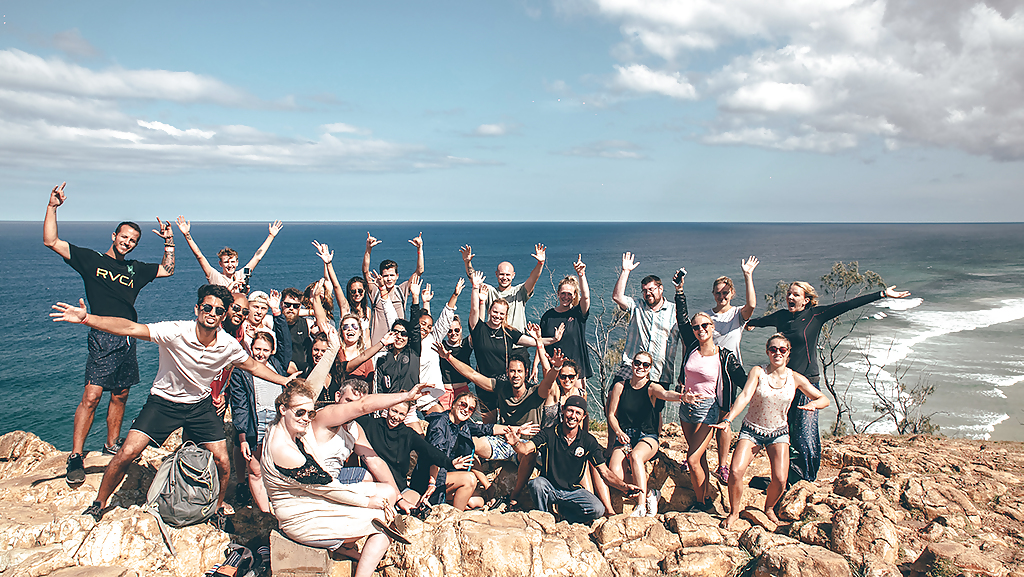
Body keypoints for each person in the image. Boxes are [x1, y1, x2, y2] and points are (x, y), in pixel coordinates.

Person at [51, 284, 291, 524]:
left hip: (199, 405)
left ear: (223, 315)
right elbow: (130, 327)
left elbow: (253, 366)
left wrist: (283, 380)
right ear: (197, 308)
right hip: (163, 403)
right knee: (127, 452)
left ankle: (217, 508)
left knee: (223, 462)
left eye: (218, 310)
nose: (212, 313)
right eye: (207, 307)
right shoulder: (176, 331)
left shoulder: (227, 345)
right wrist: (87, 319)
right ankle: (99, 504)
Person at [43, 182, 175, 484]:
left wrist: (170, 241)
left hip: (129, 335)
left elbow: (168, 269)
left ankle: (111, 443)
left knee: (121, 393)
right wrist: (52, 206)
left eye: (133, 241)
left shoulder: (135, 270)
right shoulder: (91, 261)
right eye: (124, 237)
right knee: (91, 396)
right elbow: (51, 241)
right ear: (114, 236)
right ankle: (76, 455)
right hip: (103, 335)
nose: (127, 243)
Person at [746, 282, 910, 482]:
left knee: (805, 434)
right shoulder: (781, 316)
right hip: (785, 382)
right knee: (785, 431)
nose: (790, 297)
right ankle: (785, 476)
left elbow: (848, 305)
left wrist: (883, 294)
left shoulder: (816, 315)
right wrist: (745, 323)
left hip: (807, 383)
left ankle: (806, 477)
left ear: (806, 300)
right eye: (789, 293)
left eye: (796, 294)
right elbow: (758, 321)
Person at [261, 377, 422, 577]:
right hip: (304, 515)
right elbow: (329, 488)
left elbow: (373, 461)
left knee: (388, 493)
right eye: (300, 413)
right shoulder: (287, 448)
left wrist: (397, 497)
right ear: (282, 409)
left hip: (313, 498)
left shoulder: (281, 429)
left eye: (309, 412)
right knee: (382, 526)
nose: (306, 418)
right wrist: (369, 502)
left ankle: (343, 544)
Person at [712, 334, 830, 529]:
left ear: (788, 353)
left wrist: (814, 405)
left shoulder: (796, 378)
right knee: (735, 471)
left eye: (782, 349)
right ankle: (733, 513)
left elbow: (823, 399)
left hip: (779, 432)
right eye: (773, 349)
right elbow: (745, 396)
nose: (777, 353)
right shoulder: (758, 372)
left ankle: (769, 508)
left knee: (781, 479)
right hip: (751, 430)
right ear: (767, 351)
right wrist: (728, 419)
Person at [508, 396, 640, 524]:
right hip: (550, 487)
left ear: (583, 417)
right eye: (570, 411)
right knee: (536, 484)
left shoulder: (588, 441)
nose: (573, 416)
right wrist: (515, 443)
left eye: (578, 413)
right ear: (563, 410)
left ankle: (566, 517)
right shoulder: (548, 433)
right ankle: (544, 518)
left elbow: (604, 472)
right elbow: (526, 449)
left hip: (573, 491)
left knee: (597, 509)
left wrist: (625, 487)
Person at [672, 301, 746, 513]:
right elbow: (682, 318)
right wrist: (679, 292)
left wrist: (767, 383)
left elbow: (743, 380)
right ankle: (703, 495)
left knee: (693, 459)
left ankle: (702, 503)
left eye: (705, 325)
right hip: (686, 408)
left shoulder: (724, 356)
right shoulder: (692, 348)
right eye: (696, 327)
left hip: (708, 410)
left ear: (713, 327)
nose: (700, 330)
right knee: (700, 457)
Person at [412, 391, 534, 510]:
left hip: (445, 475)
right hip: (429, 477)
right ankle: (454, 517)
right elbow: (435, 456)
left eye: (470, 409)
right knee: (469, 479)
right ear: (453, 404)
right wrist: (432, 483)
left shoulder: (463, 425)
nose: (466, 410)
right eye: (463, 404)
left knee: (478, 502)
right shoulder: (439, 424)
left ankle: (450, 504)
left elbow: (488, 429)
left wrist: (518, 430)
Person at [228, 300, 293, 512]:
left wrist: (277, 313)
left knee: (277, 467)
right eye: (257, 349)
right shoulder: (241, 371)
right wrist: (242, 437)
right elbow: (239, 407)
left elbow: (286, 343)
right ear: (250, 347)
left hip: (277, 421)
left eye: (265, 350)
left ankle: (279, 504)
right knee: (255, 470)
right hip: (256, 422)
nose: (260, 354)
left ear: (272, 350)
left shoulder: (278, 365)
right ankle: (265, 513)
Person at [468, 271, 563, 411]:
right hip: (484, 381)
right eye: (495, 312)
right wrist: (475, 288)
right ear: (489, 311)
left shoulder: (508, 331)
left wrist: (553, 339)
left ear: (505, 316)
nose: (497, 316)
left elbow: (531, 341)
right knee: (489, 420)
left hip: (505, 383)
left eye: (501, 314)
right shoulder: (479, 329)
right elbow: (474, 309)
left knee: (509, 418)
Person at [701, 257, 759, 484]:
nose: (721, 296)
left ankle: (722, 464)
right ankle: (698, 456)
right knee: (703, 415)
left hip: (728, 373)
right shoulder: (706, 316)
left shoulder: (737, 314)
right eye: (718, 292)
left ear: (732, 293)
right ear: (713, 294)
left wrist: (748, 275)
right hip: (706, 371)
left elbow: (752, 306)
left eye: (725, 292)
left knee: (725, 418)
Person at [606, 351, 684, 517]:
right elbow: (611, 414)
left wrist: (682, 397)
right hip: (625, 436)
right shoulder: (620, 386)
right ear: (632, 364)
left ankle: (641, 507)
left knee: (636, 457)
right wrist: (618, 431)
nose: (640, 367)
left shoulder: (651, 387)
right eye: (637, 363)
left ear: (649, 369)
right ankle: (649, 494)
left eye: (645, 365)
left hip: (646, 437)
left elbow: (665, 394)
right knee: (615, 474)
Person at [357, 401, 474, 511]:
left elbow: (429, 450)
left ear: (406, 415)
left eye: (401, 414)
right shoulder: (370, 424)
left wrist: (450, 462)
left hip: (400, 489)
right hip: (376, 485)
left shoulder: (408, 434)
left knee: (419, 506)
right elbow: (349, 416)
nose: (396, 417)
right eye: (394, 411)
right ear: (388, 408)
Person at [611, 252, 681, 389]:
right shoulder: (637, 306)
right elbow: (617, 297)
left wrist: (684, 372)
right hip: (632, 367)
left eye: (651, 289)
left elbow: (685, 341)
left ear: (661, 289)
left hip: (659, 372)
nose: (647, 293)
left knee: (654, 410)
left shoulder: (675, 311)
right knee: (614, 396)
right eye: (644, 290)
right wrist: (625, 271)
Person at [175, 216, 283, 292]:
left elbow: (257, 257)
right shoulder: (215, 277)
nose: (230, 265)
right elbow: (199, 256)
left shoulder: (241, 275)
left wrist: (271, 236)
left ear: (237, 263)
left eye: (232, 261)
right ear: (220, 264)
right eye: (226, 262)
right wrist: (187, 234)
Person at [460, 243, 546, 337]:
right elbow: (475, 279)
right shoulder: (489, 292)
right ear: (496, 274)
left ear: (513, 275)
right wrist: (467, 262)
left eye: (508, 275)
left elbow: (533, 278)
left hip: (518, 345)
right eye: (501, 274)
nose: (504, 278)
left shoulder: (520, 292)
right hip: (495, 343)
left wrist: (540, 264)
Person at [409, 276, 464, 418]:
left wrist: (455, 294)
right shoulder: (406, 342)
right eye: (422, 324)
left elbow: (446, 317)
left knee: (443, 423)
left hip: (428, 398)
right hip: (409, 397)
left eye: (429, 327)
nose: (425, 329)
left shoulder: (432, 339)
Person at [538, 255, 593, 385]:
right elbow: (541, 343)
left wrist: (581, 274)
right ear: (558, 293)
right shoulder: (548, 316)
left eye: (570, 294)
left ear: (574, 295)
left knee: (576, 403)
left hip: (576, 372)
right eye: (563, 293)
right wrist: (536, 365)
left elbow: (586, 297)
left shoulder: (578, 313)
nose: (566, 297)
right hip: (555, 370)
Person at [362, 231, 425, 342]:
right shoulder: (375, 291)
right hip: (379, 346)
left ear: (397, 276)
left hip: (399, 344)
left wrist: (419, 249)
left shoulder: (402, 290)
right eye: (386, 276)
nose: (389, 279)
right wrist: (368, 250)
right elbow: (365, 271)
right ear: (381, 276)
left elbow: (419, 271)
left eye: (392, 275)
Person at [437, 315, 473, 411]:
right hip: (444, 393)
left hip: (462, 391)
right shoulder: (441, 346)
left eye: (456, 330)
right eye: (449, 331)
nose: (453, 333)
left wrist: (480, 303)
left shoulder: (466, 344)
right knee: (443, 421)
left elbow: (477, 329)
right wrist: (426, 303)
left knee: (462, 420)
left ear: (461, 329)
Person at [281, 287, 311, 375]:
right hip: (281, 374)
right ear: (281, 304)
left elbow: (322, 320)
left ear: (300, 307)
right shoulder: (273, 323)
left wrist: (311, 311)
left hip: (303, 375)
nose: (291, 308)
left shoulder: (306, 324)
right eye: (287, 305)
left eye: (295, 306)